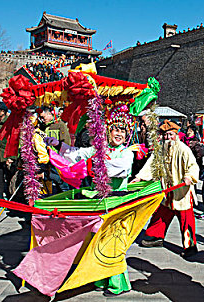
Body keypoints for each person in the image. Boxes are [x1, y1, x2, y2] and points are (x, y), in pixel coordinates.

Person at [56, 101, 136, 297]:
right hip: (99, 201)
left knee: (113, 243)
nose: (119, 134)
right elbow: (78, 155)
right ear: (107, 132)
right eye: (115, 130)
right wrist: (58, 144)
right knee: (96, 240)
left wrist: (94, 164)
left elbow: (120, 169)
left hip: (117, 202)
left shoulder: (127, 152)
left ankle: (118, 283)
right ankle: (99, 278)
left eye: (123, 132)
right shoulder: (98, 149)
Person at [133, 120, 200, 258]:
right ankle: (155, 236)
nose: (167, 138)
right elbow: (151, 164)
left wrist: (189, 177)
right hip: (167, 190)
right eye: (165, 135)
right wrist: (140, 177)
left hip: (182, 192)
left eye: (170, 135)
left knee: (186, 220)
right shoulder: (161, 149)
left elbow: (193, 166)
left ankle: (190, 247)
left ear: (176, 135)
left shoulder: (183, 149)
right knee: (161, 215)